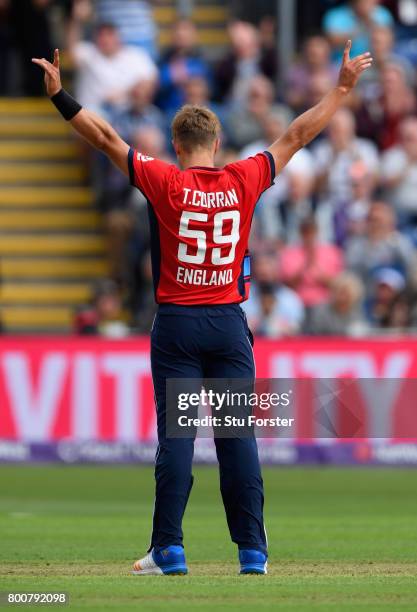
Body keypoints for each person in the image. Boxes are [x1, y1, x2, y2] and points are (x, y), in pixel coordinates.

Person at [32, 39, 373, 576]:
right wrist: (341, 90)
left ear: (175, 141)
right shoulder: (244, 179)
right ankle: (252, 552)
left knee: (178, 440)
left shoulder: (163, 180)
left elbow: (103, 136)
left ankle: (168, 547)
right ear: (216, 141)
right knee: (238, 439)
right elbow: (299, 134)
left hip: (178, 325)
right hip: (228, 324)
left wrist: (59, 95)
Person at [67, 11, 157, 113]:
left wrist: (127, 92)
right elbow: (71, 51)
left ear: (118, 37)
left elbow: (151, 80)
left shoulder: (135, 55)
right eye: (101, 35)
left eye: (109, 34)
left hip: (127, 116)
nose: (105, 39)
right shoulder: (88, 53)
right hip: (92, 116)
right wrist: (76, 19)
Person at [323, 0, 394, 60]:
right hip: (343, 63)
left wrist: (369, 21)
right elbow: (332, 42)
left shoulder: (382, 13)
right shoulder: (336, 15)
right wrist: (360, 22)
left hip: (375, 62)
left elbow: (388, 41)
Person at [307, 272, 367, 336]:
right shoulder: (320, 311)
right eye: (339, 292)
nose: (342, 297)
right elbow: (314, 335)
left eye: (346, 294)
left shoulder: (357, 312)